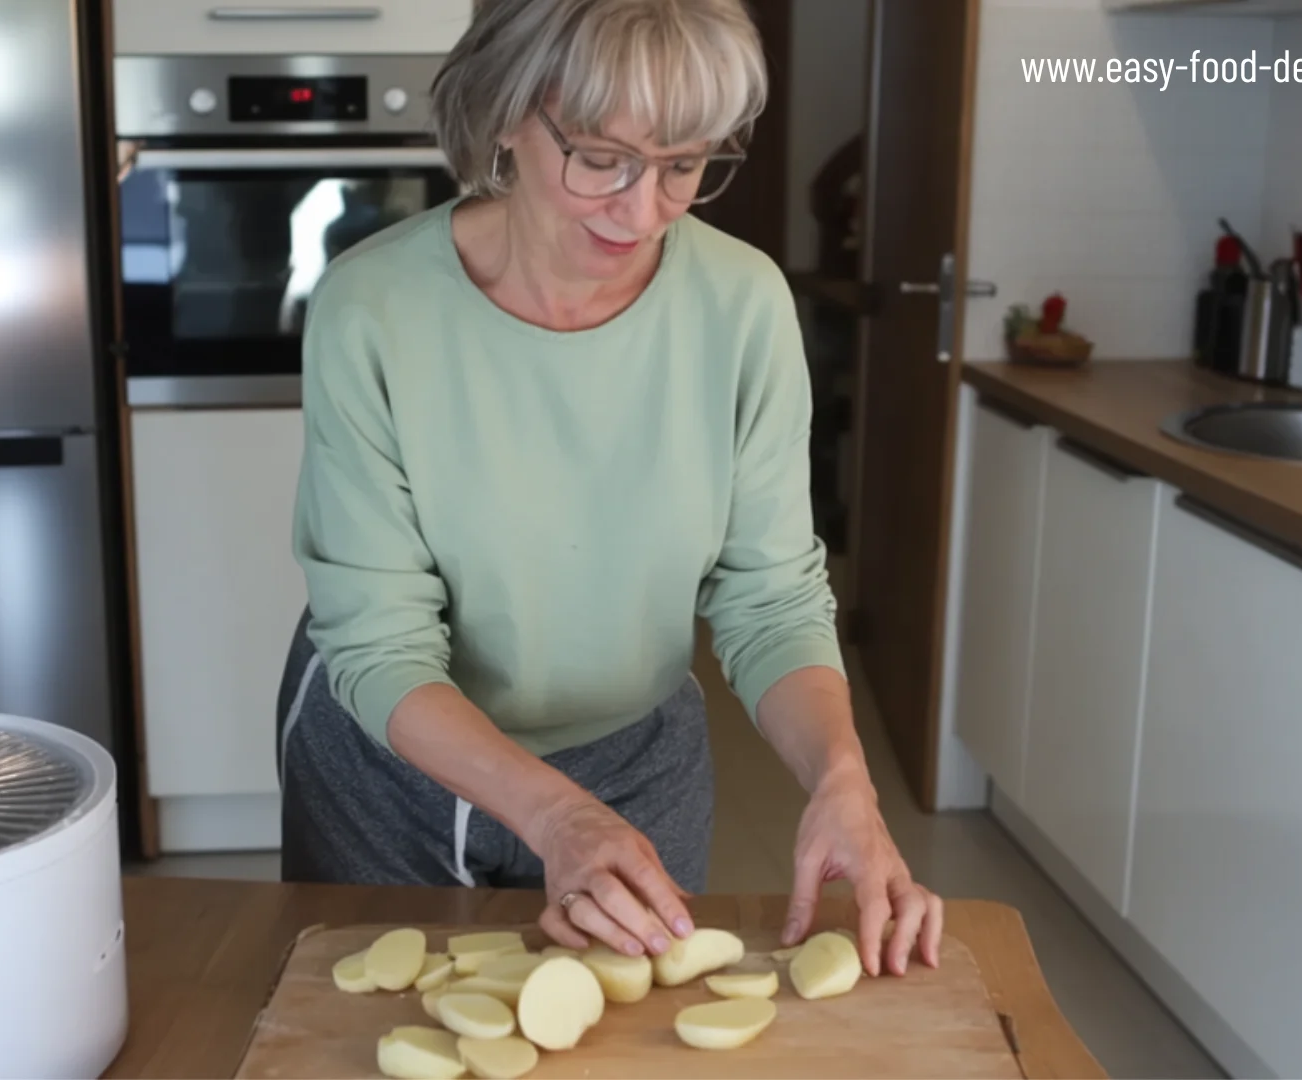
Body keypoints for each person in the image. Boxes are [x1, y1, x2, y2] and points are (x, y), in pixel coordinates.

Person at [277, 0, 944, 978]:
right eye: (602, 158)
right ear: (508, 113)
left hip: (637, 760)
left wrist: (844, 780)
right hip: (393, 766)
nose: (642, 211)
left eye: (684, 166)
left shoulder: (742, 303)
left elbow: (771, 599)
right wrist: (553, 813)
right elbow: (378, 644)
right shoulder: (372, 310)